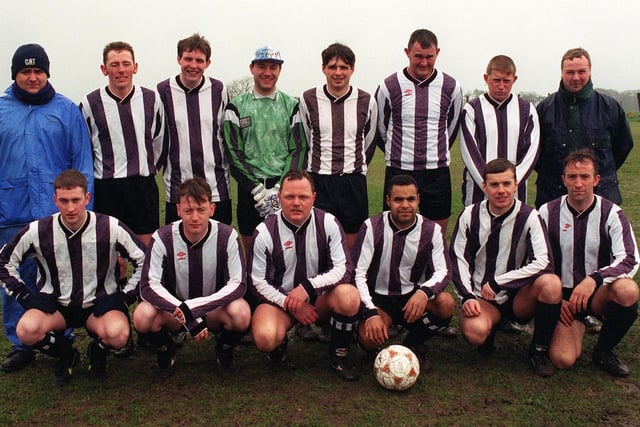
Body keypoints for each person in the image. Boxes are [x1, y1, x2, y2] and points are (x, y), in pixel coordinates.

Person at [0, 170, 144, 386]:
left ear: (87, 198)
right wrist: (25, 297)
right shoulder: (38, 230)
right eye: (64, 200)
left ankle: (96, 352)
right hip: (55, 306)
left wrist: (124, 298)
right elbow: (3, 262)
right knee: (26, 331)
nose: (70, 208)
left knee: (119, 335)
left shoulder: (110, 227)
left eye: (76, 200)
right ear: (55, 199)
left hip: (98, 305)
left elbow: (145, 262)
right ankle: (66, 353)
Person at [0, 44, 94, 373]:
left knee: (58, 276)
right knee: (15, 276)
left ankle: (61, 338)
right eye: (25, 71)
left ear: (47, 73)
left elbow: (82, 161)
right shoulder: (1, 110)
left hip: (57, 213)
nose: (32, 77)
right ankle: (20, 343)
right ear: (15, 74)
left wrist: (81, 204)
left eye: (38, 71)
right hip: (10, 212)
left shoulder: (66, 110)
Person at [450, 158, 562, 377]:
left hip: (519, 297)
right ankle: (490, 328)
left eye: (506, 184)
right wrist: (467, 297)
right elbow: (457, 260)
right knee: (475, 332)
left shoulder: (530, 216)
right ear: (484, 186)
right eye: (494, 185)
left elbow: (544, 262)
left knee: (551, 284)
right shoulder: (469, 215)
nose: (501, 190)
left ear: (516, 185)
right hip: (484, 297)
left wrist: (500, 282)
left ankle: (538, 350)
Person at [248, 170, 361, 381]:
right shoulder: (264, 232)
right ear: (279, 197)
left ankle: (339, 354)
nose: (296, 203)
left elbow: (343, 268)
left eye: (303, 197)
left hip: (320, 300)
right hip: (281, 300)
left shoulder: (328, 223)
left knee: (349, 296)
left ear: (314, 198)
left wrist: (308, 288)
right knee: (264, 337)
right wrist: (291, 303)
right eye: (290, 197)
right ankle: (279, 346)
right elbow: (257, 282)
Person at [133, 177, 250, 375]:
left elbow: (238, 284)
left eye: (201, 210)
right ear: (178, 210)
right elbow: (148, 286)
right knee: (142, 316)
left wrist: (196, 308)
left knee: (241, 313)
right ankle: (165, 348)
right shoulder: (162, 237)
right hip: (176, 313)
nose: (195, 217)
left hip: (213, 310)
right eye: (188, 211)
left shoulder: (227, 235)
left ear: (212, 209)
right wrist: (184, 312)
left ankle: (224, 347)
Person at [539, 149, 639, 377]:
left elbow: (629, 258)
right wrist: (556, 300)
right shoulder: (547, 212)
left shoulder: (612, 213)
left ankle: (604, 351)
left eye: (585, 177)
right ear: (563, 179)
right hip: (564, 298)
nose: (578, 183)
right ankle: (576, 323)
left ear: (596, 180)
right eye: (572, 177)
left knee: (627, 290)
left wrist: (594, 279)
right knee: (563, 359)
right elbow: (535, 260)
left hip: (596, 292)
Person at [353, 174, 454, 370]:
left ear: (418, 200)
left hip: (411, 297)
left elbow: (443, 270)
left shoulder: (431, 230)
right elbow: (358, 274)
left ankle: (412, 344)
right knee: (368, 339)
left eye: (410, 199)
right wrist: (371, 312)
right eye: (398, 199)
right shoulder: (372, 227)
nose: (405, 205)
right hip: (379, 298)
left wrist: (424, 292)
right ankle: (373, 340)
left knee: (446, 303)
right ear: (388, 200)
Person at [375, 28, 463, 234]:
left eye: (429, 57)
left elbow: (451, 128)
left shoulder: (451, 87)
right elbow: (380, 129)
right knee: (395, 233)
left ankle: (434, 268)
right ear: (407, 52)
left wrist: (434, 152)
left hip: (437, 171)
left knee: (436, 234)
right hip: (399, 169)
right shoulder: (389, 85)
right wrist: (398, 152)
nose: (424, 63)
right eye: (418, 57)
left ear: (437, 53)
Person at [80, 41, 164, 248]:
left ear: (135, 67)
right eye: (114, 64)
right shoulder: (90, 103)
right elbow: (85, 148)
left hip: (142, 187)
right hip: (107, 188)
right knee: (111, 255)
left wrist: (145, 166)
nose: (121, 70)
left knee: (145, 252)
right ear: (104, 69)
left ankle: (144, 282)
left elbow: (160, 142)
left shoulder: (151, 99)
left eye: (126, 64)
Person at [224, 46, 306, 252]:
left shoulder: (291, 105)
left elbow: (298, 149)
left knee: (286, 251)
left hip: (285, 191)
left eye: (273, 67)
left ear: (280, 70)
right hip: (250, 192)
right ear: (252, 68)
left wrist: (280, 188)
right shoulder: (236, 106)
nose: (267, 72)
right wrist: (256, 189)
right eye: (261, 66)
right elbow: (233, 152)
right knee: (252, 253)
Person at [299, 42, 377, 251]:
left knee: (352, 241)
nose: (338, 72)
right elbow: (308, 137)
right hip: (319, 180)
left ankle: (347, 283)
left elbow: (369, 140)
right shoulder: (308, 99)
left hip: (352, 181)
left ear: (352, 69)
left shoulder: (366, 100)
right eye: (332, 67)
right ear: (323, 68)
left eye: (344, 67)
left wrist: (355, 167)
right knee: (319, 241)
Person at [535, 47, 633, 209]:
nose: (576, 77)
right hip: (553, 196)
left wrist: (598, 172)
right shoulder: (544, 110)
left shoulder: (610, 107)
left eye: (581, 71)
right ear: (561, 73)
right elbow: (536, 154)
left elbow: (623, 146)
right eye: (570, 72)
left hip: (602, 195)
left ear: (590, 72)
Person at [157, 33, 231, 225]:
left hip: (216, 186)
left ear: (207, 63)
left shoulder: (218, 90)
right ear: (178, 59)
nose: (193, 65)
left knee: (218, 245)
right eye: (188, 59)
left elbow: (226, 134)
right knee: (178, 247)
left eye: (199, 60)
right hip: (177, 186)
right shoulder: (163, 91)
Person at [459, 55, 539, 206]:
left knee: (514, 229)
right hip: (479, 192)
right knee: (478, 228)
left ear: (514, 80)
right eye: (496, 80)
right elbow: (469, 152)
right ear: (486, 78)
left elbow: (532, 152)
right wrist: (490, 185)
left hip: (515, 192)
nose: (501, 86)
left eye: (506, 81)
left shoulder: (527, 110)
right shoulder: (472, 109)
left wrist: (511, 184)